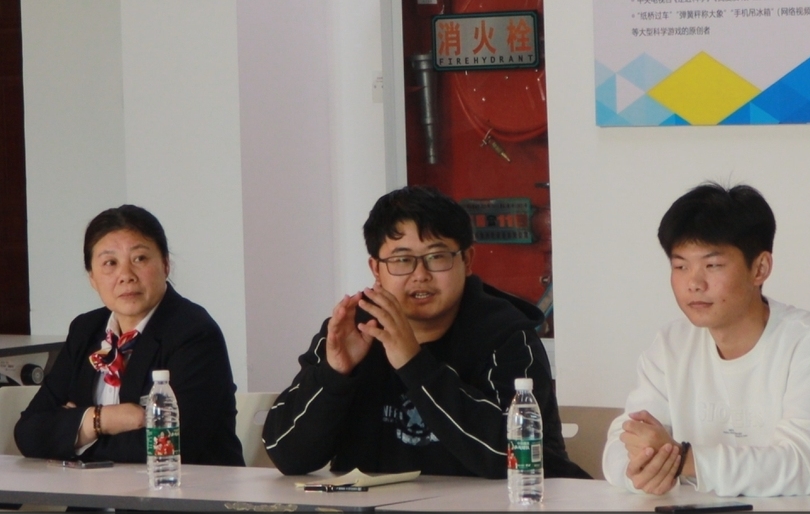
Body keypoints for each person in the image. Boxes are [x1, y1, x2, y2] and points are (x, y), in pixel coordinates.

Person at [263, 185, 588, 479]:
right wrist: (334, 374)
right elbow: (287, 454)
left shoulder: (506, 336)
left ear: (467, 260)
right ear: (376, 268)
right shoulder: (355, 329)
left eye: (436, 257)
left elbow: (516, 457)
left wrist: (414, 364)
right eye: (402, 260)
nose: (420, 275)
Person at [602, 182, 810, 497]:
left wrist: (683, 460)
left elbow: (801, 467)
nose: (694, 283)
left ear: (760, 268)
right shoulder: (671, 344)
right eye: (680, 266)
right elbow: (624, 439)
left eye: (712, 265)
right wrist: (641, 470)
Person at [15, 205, 244, 466]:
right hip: (95, 491)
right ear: (92, 277)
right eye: (110, 263)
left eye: (140, 259)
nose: (126, 276)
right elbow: (29, 433)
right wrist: (104, 420)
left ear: (166, 264)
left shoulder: (194, 332)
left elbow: (172, 444)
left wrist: (73, 435)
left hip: (184, 488)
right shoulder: (85, 329)